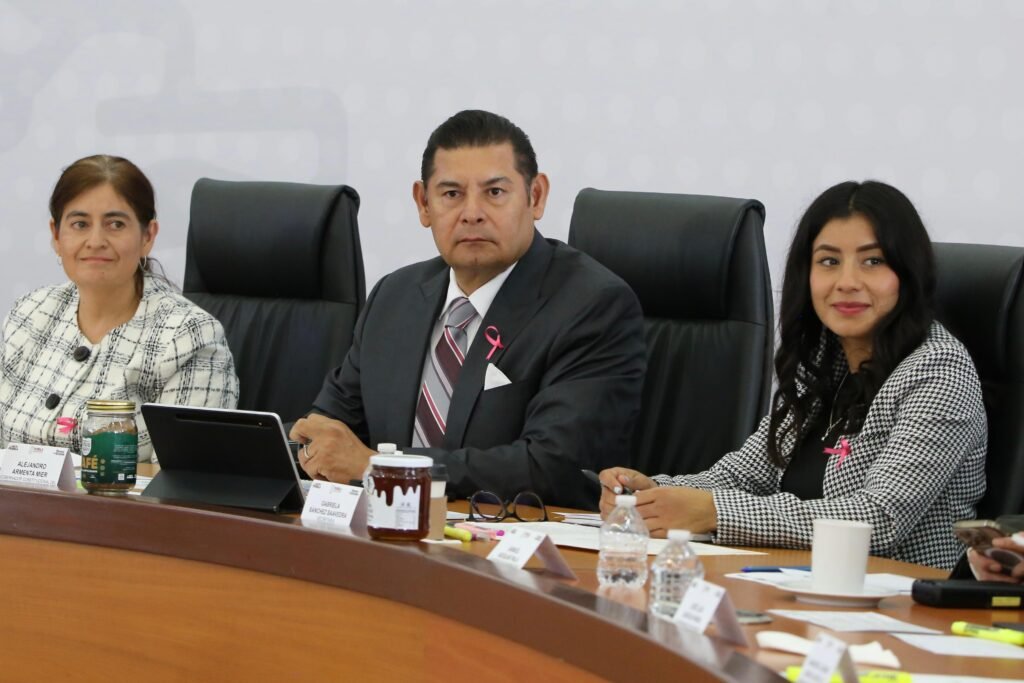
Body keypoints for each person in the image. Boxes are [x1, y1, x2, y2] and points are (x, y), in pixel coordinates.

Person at [600, 180, 987, 570]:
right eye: (829, 261)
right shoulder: (823, 360)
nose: (847, 282)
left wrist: (715, 512)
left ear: (908, 271)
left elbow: (880, 519)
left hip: (895, 594)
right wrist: (652, 493)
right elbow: (747, 474)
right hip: (794, 580)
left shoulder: (939, 371)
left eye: (873, 261)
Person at [290, 110, 645, 509]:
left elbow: (553, 466)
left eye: (494, 192)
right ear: (423, 204)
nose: (472, 213)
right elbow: (330, 427)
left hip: (519, 537)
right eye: (451, 194)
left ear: (536, 196)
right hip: (387, 531)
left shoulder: (592, 306)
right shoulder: (395, 296)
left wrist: (382, 467)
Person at [0, 155, 239, 462]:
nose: (95, 241)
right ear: (56, 236)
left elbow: (187, 477)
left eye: (115, 224)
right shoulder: (30, 313)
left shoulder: (188, 336)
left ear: (148, 236)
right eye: (80, 224)